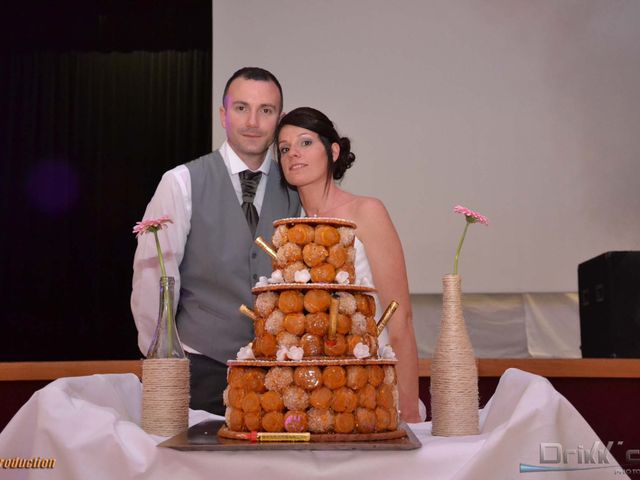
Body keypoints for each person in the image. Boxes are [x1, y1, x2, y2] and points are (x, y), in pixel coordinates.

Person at [131, 67, 300, 415]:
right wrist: (165, 364)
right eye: (241, 108)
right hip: (200, 367)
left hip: (280, 373)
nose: (252, 121)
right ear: (223, 115)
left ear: (278, 120)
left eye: (265, 111)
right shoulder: (181, 182)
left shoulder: (297, 188)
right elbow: (153, 280)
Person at [276, 107, 423, 422]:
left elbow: (400, 318)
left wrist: (408, 412)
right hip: (311, 400)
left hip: (372, 387)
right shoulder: (289, 228)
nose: (293, 154)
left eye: (305, 143)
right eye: (285, 149)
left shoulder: (366, 211)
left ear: (333, 150)